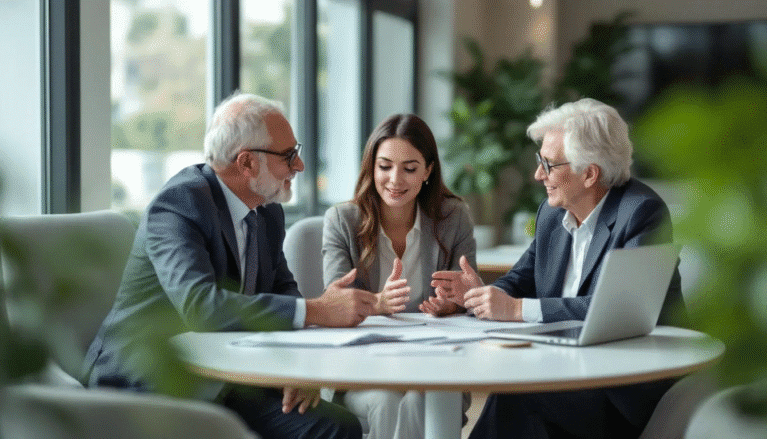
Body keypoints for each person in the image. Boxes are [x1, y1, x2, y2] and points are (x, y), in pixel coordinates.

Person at [81, 92, 377, 439]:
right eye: (288, 156)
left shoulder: (267, 212)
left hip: (226, 379)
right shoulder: (179, 204)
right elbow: (200, 306)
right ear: (247, 162)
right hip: (151, 384)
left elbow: (282, 289)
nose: (299, 167)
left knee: (337, 426)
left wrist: (299, 369)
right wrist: (318, 310)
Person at [432, 98, 686, 439]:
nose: (538, 175)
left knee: (520, 399)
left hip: (621, 386)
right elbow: (521, 278)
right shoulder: (552, 214)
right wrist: (479, 296)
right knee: (515, 395)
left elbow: (618, 309)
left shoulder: (642, 213)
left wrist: (517, 309)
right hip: (563, 371)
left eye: (548, 164)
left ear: (589, 173)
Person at [322, 113, 476, 439]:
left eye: (409, 168)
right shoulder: (341, 221)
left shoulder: (453, 217)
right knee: (386, 403)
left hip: (433, 365)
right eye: (385, 166)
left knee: (424, 401)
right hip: (366, 371)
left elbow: (471, 295)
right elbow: (334, 302)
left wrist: (454, 305)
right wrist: (377, 303)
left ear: (428, 172)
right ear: (371, 167)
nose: (395, 179)